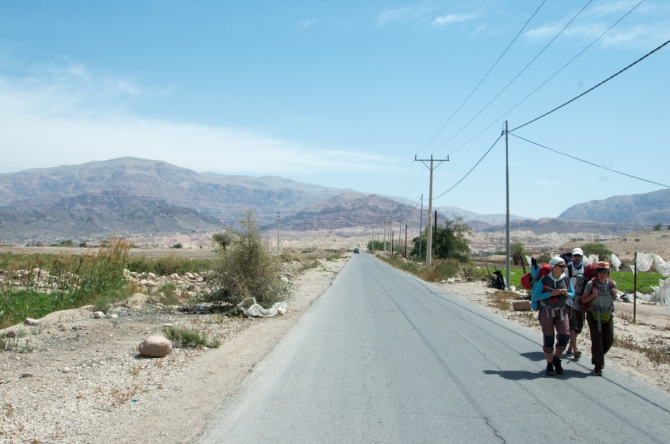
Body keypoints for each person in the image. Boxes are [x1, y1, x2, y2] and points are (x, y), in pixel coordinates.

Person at [531, 256, 574, 376]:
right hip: (547, 311)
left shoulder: (566, 280)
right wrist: (551, 293)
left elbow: (572, 294)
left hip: (561, 311)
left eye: (565, 266)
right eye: (561, 266)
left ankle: (556, 359)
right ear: (553, 267)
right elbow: (536, 296)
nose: (564, 268)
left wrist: (567, 293)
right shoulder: (544, 280)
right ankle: (549, 364)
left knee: (564, 336)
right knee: (549, 338)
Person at [582, 261, 618, 376]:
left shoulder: (612, 284)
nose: (602, 274)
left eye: (605, 272)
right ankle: (598, 366)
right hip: (593, 314)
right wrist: (593, 294)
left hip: (607, 314)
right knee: (597, 340)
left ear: (608, 273)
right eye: (600, 272)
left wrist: (615, 294)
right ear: (596, 273)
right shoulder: (591, 284)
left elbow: (613, 298)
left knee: (609, 339)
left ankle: (599, 357)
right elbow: (583, 300)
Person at [566, 248, 586, 359]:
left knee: (579, 326)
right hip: (570, 300)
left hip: (581, 300)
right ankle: (575, 349)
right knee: (572, 325)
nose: (577, 258)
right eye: (575, 256)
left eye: (578, 256)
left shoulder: (585, 268)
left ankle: (570, 345)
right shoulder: (568, 268)